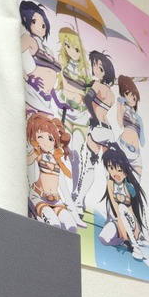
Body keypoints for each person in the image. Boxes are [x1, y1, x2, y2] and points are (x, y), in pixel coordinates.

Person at [26, 113, 85, 231]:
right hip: (39, 197)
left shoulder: (57, 159)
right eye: (40, 137)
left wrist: (74, 213)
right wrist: (35, 151)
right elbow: (28, 161)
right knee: (54, 224)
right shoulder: (37, 154)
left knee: (71, 227)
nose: (46, 142)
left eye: (50, 138)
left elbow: (64, 183)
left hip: (56, 200)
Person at [76, 51, 116, 215]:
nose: (95, 68)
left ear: (105, 70)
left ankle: (79, 202)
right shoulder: (111, 94)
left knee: (90, 167)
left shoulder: (98, 86)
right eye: (94, 65)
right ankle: (112, 211)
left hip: (97, 128)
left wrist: (92, 117)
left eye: (99, 66)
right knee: (110, 172)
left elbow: (87, 100)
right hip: (108, 132)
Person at [56, 27, 92, 197]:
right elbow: (65, 87)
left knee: (76, 153)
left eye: (75, 49)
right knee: (65, 151)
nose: (71, 51)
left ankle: (76, 189)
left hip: (81, 117)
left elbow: (85, 96)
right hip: (66, 112)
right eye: (67, 46)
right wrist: (77, 92)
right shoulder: (63, 64)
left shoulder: (85, 71)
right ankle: (61, 187)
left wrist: (81, 93)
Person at [99, 144, 149, 261]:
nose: (115, 173)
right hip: (120, 222)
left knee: (122, 207)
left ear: (125, 171)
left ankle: (135, 246)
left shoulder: (129, 186)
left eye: (119, 170)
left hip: (132, 224)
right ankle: (124, 241)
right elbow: (116, 209)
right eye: (111, 168)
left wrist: (139, 232)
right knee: (103, 238)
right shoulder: (110, 184)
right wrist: (122, 233)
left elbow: (133, 210)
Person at [19, 0, 62, 116]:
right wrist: (28, 79)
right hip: (31, 93)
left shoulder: (49, 50)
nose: (41, 28)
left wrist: (58, 102)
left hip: (46, 98)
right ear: (26, 20)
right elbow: (15, 61)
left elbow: (50, 81)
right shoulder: (28, 39)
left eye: (43, 25)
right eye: (34, 21)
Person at [117, 75, 145, 181]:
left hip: (136, 153)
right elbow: (120, 124)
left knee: (136, 184)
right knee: (121, 181)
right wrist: (119, 105)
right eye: (127, 93)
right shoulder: (123, 107)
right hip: (123, 147)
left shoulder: (138, 118)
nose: (131, 97)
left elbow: (142, 141)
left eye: (133, 95)